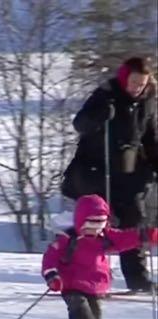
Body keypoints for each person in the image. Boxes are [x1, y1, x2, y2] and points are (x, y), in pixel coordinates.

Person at [62, 56, 158, 292]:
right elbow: (80, 123)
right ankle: (72, 272)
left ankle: (138, 279)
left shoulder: (148, 101)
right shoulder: (106, 95)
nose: (138, 88)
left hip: (129, 173)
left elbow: (150, 137)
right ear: (125, 78)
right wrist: (99, 115)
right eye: (135, 82)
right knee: (93, 224)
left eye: (143, 83)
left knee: (133, 222)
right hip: (96, 171)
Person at [42, 194, 158, 319]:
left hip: (95, 287)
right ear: (81, 220)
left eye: (100, 224)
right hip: (71, 286)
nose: (95, 229)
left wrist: (145, 236)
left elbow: (125, 238)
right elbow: (50, 258)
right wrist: (52, 276)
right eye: (90, 224)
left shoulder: (105, 237)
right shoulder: (68, 239)